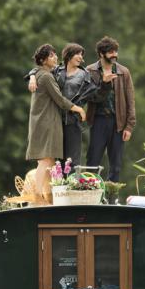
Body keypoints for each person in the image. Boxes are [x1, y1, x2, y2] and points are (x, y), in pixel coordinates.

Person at [26, 44, 86, 203]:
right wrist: (79, 109)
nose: (56, 57)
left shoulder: (42, 73)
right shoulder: (46, 76)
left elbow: (35, 71)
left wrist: (32, 75)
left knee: (50, 163)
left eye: (55, 55)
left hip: (44, 121)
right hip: (46, 122)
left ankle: (48, 197)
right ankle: (36, 195)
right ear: (43, 60)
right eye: (52, 56)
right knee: (45, 161)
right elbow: (60, 99)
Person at [26, 43, 99, 165]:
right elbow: (41, 69)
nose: (81, 57)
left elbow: (95, 94)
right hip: (56, 119)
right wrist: (32, 76)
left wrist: (106, 84)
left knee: (72, 161)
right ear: (69, 55)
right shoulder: (57, 70)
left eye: (82, 55)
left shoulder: (85, 75)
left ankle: (70, 178)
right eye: (77, 54)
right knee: (57, 161)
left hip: (72, 120)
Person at [85, 36, 136, 182]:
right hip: (98, 121)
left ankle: (111, 194)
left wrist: (129, 126)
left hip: (118, 123)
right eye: (111, 52)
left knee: (116, 166)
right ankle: (89, 193)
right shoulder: (90, 71)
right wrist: (104, 84)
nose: (115, 55)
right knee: (92, 162)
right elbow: (90, 97)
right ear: (101, 54)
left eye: (116, 51)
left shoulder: (124, 72)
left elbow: (130, 100)